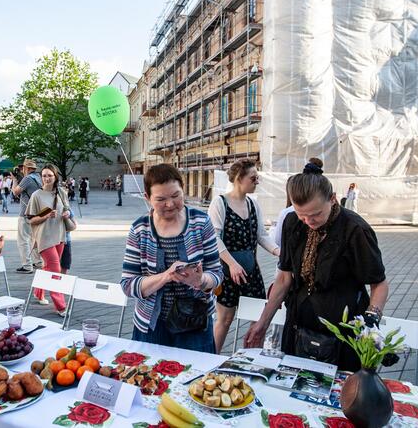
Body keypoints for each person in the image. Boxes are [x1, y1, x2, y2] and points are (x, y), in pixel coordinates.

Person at [243, 163, 388, 371]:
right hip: (297, 327)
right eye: (302, 214)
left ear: (333, 198)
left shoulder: (355, 229)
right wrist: (262, 323)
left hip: (342, 335)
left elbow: (380, 284)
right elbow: (284, 279)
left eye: (316, 214)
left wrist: (372, 320)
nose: (308, 221)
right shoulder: (292, 223)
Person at [121, 164, 223, 352]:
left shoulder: (201, 222)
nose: (170, 204)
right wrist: (165, 276)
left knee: (197, 379)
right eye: (161, 199)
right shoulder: (140, 229)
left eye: (176, 196)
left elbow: (217, 274)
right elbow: (128, 284)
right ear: (147, 198)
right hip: (151, 325)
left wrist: (200, 280)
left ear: (183, 190)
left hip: (196, 323)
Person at [209, 159, 280, 353]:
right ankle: (212, 359)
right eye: (253, 177)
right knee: (225, 320)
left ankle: (248, 360)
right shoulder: (220, 202)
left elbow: (262, 236)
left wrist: (278, 252)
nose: (257, 181)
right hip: (227, 271)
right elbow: (214, 238)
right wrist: (232, 264)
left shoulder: (252, 204)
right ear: (239, 178)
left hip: (251, 270)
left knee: (258, 319)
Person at [25, 164, 74, 316]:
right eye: (44, 175)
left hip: (59, 235)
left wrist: (66, 213)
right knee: (55, 270)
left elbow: (66, 208)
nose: (46, 178)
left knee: (49, 268)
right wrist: (46, 216)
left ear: (55, 177)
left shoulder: (61, 192)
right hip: (44, 237)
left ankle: (38, 293)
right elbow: (31, 220)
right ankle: (61, 306)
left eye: (49, 176)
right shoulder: (36, 196)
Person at [12, 159, 42, 275]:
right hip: (37, 213)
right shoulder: (38, 178)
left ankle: (27, 265)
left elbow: (16, 192)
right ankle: (38, 262)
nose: (21, 170)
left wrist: (15, 180)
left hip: (26, 213)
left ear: (27, 168)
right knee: (34, 239)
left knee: (23, 240)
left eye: (22, 168)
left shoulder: (27, 178)